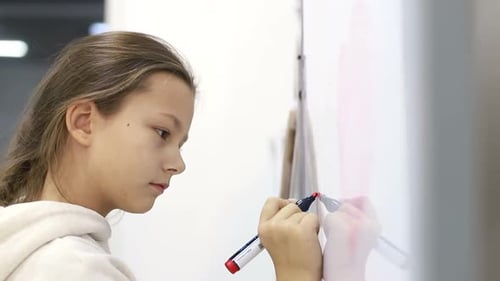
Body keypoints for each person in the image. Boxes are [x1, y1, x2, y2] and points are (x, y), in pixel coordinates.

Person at [0, 31, 378, 281]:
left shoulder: (29, 245)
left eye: (180, 144)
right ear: (84, 122)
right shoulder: (72, 269)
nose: (177, 164)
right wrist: (296, 273)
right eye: (162, 133)